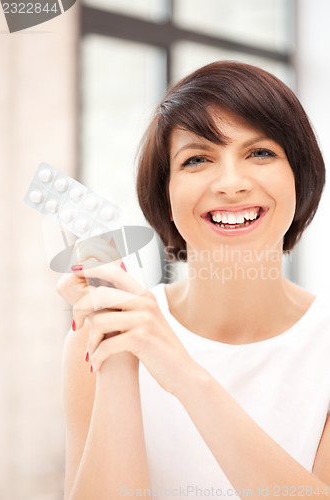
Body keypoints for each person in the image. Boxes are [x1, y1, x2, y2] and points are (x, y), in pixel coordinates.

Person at [57, 61, 330, 500]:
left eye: (260, 153)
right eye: (197, 159)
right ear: (166, 196)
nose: (231, 183)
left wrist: (185, 375)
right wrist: (122, 363)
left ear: (299, 178)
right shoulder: (105, 339)